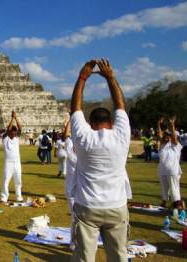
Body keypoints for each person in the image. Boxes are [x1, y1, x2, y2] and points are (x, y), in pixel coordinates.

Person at [70, 59, 131, 262]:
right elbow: (120, 105)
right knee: (119, 255)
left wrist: (82, 78)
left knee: (84, 257)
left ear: (90, 123)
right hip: (116, 205)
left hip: (88, 206)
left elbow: (75, 108)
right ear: (111, 122)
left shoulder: (84, 138)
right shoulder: (121, 135)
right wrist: (110, 78)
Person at [157, 116, 182, 208]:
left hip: (172, 171)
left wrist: (172, 125)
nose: (166, 137)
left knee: (174, 188)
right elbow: (159, 134)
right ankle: (164, 202)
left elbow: (174, 138)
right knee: (164, 188)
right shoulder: (162, 145)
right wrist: (158, 124)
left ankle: (177, 204)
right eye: (165, 136)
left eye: (169, 136)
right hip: (162, 171)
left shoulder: (176, 145)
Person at [1, 111, 23, 203]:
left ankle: (19, 197)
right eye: (12, 133)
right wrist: (12, 118)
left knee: (18, 180)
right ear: (10, 132)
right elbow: (7, 129)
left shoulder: (16, 138)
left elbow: (20, 128)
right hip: (8, 163)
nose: (14, 134)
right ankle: (4, 197)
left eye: (15, 133)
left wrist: (16, 118)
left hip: (17, 163)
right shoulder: (5, 138)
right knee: (6, 180)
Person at [63, 118, 77, 250]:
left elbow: (66, 135)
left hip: (82, 191)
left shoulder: (70, 150)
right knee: (75, 217)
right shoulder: (79, 156)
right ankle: (73, 242)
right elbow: (66, 135)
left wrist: (69, 121)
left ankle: (76, 242)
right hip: (73, 191)